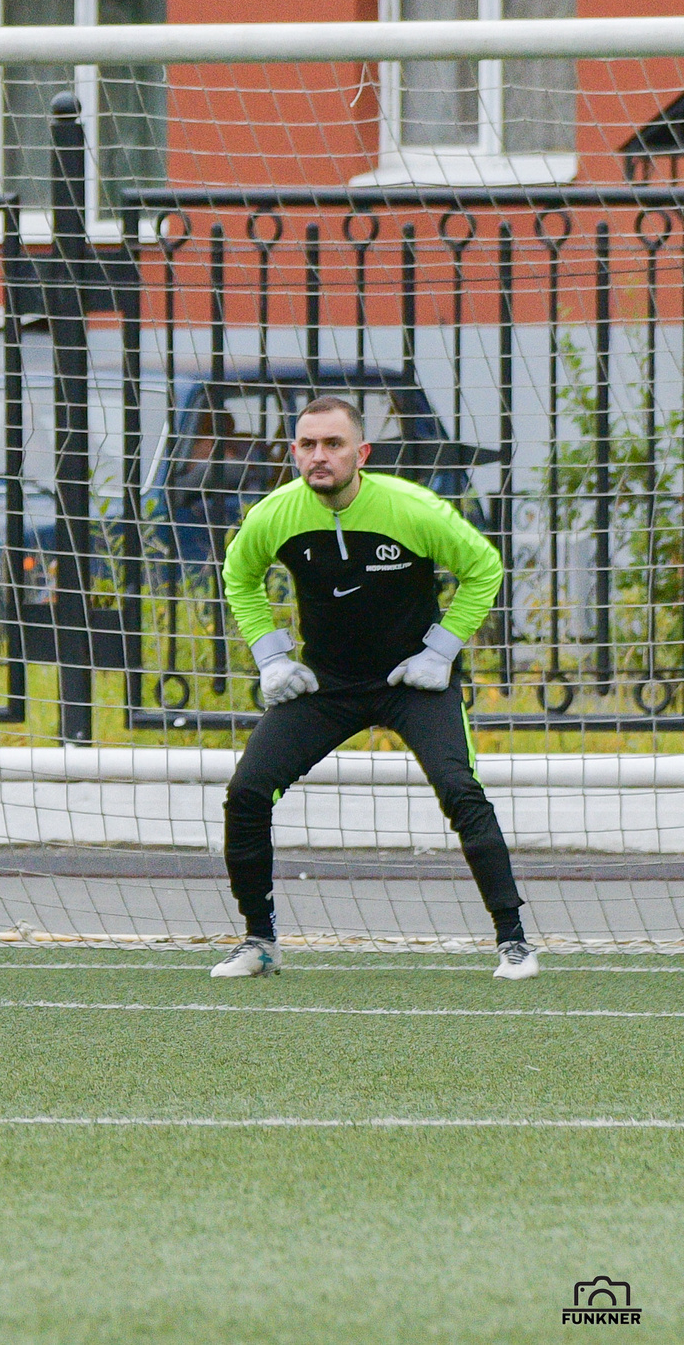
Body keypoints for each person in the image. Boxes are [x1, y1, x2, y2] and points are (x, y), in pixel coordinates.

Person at [212, 394, 532, 980]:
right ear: (293, 453)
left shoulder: (413, 509)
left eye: (333, 444)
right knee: (247, 794)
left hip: (411, 679)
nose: (319, 457)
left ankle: (513, 941)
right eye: (307, 445)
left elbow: (484, 567)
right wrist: (272, 658)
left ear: (361, 453)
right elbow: (239, 575)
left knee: (461, 790)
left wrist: (441, 650)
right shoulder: (275, 514)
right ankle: (260, 940)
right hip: (328, 683)